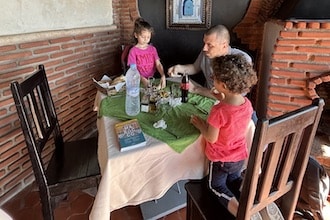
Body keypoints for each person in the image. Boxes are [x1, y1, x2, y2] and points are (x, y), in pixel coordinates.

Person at [190, 54, 258, 217]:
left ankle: (241, 213)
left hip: (221, 159)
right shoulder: (247, 104)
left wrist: (200, 124)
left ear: (224, 86)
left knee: (216, 186)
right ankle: (252, 203)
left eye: (215, 78)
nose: (212, 80)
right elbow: (232, 116)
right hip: (239, 157)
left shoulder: (219, 111)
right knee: (234, 180)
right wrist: (221, 96)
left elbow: (211, 137)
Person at [167, 24, 252, 99]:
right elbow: (195, 68)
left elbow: (233, 97)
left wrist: (196, 89)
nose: (204, 48)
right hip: (205, 95)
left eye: (209, 45)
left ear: (224, 45)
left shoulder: (242, 59)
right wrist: (178, 68)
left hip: (224, 102)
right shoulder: (206, 53)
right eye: (204, 43)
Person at [127, 18, 166, 89]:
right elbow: (133, 69)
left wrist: (163, 75)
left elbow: (158, 64)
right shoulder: (133, 51)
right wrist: (142, 79)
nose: (146, 39)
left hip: (152, 79)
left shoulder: (152, 49)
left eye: (148, 37)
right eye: (143, 37)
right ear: (136, 35)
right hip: (138, 80)